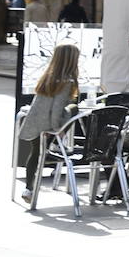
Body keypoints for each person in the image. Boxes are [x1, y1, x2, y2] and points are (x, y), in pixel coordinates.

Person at [17, 42, 80, 201]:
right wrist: (58, 130)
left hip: (34, 122)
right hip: (49, 124)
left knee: (36, 153)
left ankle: (28, 189)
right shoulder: (66, 82)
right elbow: (57, 109)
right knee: (74, 108)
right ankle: (57, 143)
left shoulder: (47, 77)